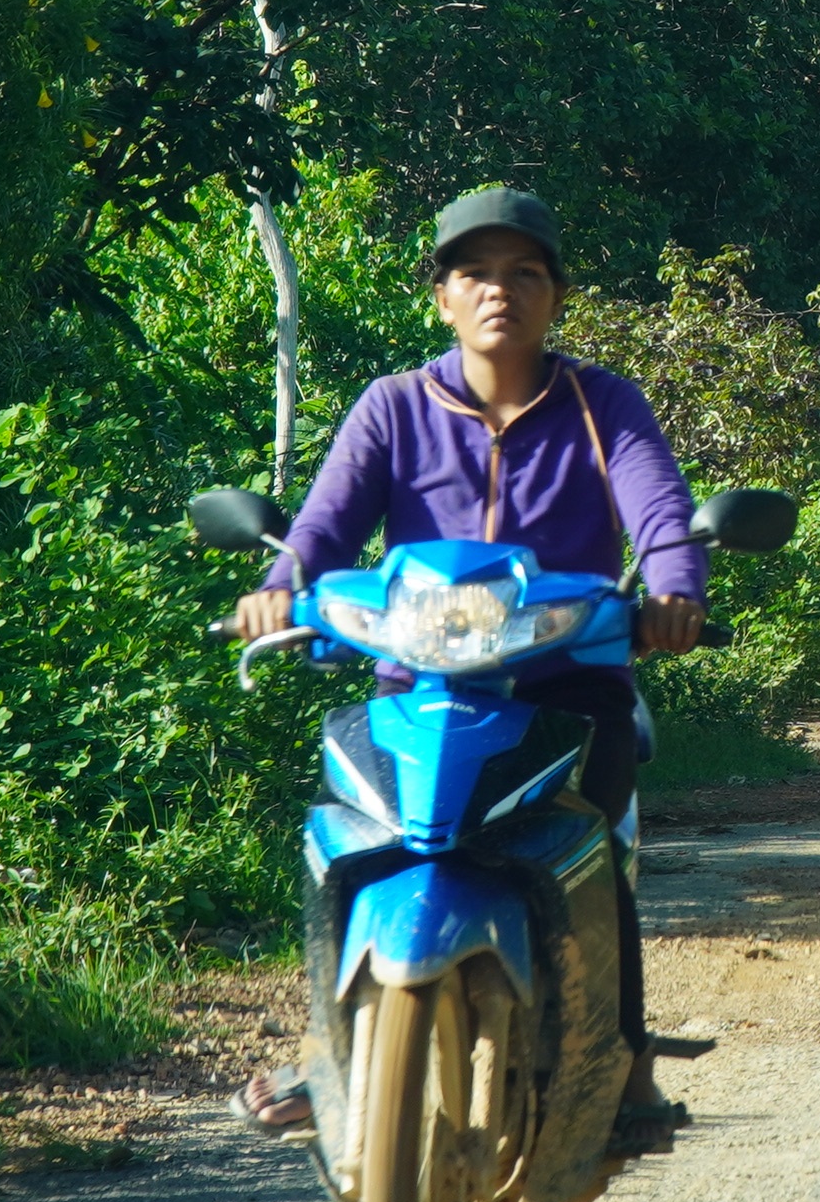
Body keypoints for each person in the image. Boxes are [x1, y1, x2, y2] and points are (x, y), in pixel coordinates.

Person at [226, 185, 710, 1134]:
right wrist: (282, 586)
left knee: (591, 865)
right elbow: (324, 523)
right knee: (348, 846)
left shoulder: (601, 404)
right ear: (441, 296)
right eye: (475, 273)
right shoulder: (393, 407)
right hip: (415, 693)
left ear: (557, 295)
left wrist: (674, 590)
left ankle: (622, 1063)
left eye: (525, 273)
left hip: (569, 691)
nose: (500, 291)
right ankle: (330, 1050)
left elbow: (657, 505)